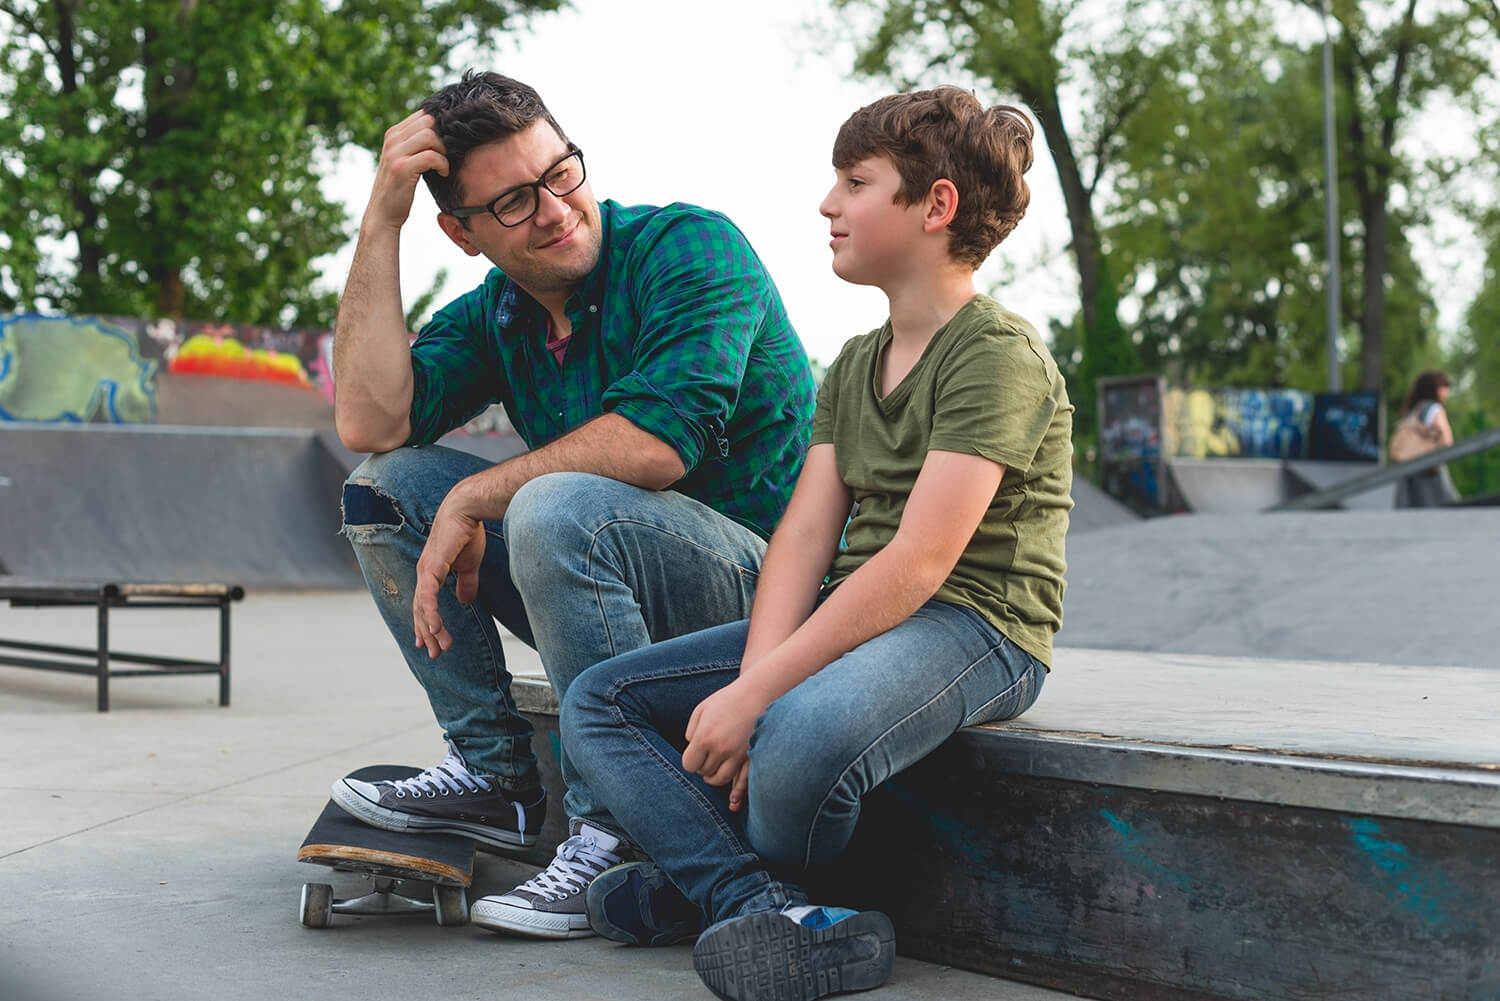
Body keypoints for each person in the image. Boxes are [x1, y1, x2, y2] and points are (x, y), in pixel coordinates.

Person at [561, 87, 1073, 1001]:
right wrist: (756, 677)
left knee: (797, 739)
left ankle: (717, 894)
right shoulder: (852, 362)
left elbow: (921, 561)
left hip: (979, 625)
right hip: (859, 608)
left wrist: (762, 697)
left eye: (855, 181)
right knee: (601, 700)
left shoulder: (996, 354)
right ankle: (756, 900)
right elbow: (803, 533)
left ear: (935, 205)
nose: (828, 204)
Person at [327, 69, 816, 939]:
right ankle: (495, 778)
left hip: (772, 603)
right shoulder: (498, 315)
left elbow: (656, 444)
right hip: (611, 584)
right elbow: (370, 418)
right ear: (463, 232)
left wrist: (478, 495)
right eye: (514, 201)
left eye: (562, 173)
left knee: (553, 502)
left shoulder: (688, 248)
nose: (555, 210)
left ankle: (615, 828)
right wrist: (381, 221)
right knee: (385, 490)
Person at [1392, 369, 1460, 508]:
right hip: (1430, 468)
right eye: (1444, 387)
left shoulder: (1412, 411)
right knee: (1446, 510)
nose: (1446, 392)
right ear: (1436, 389)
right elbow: (1447, 440)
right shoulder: (1435, 409)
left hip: (1409, 469)